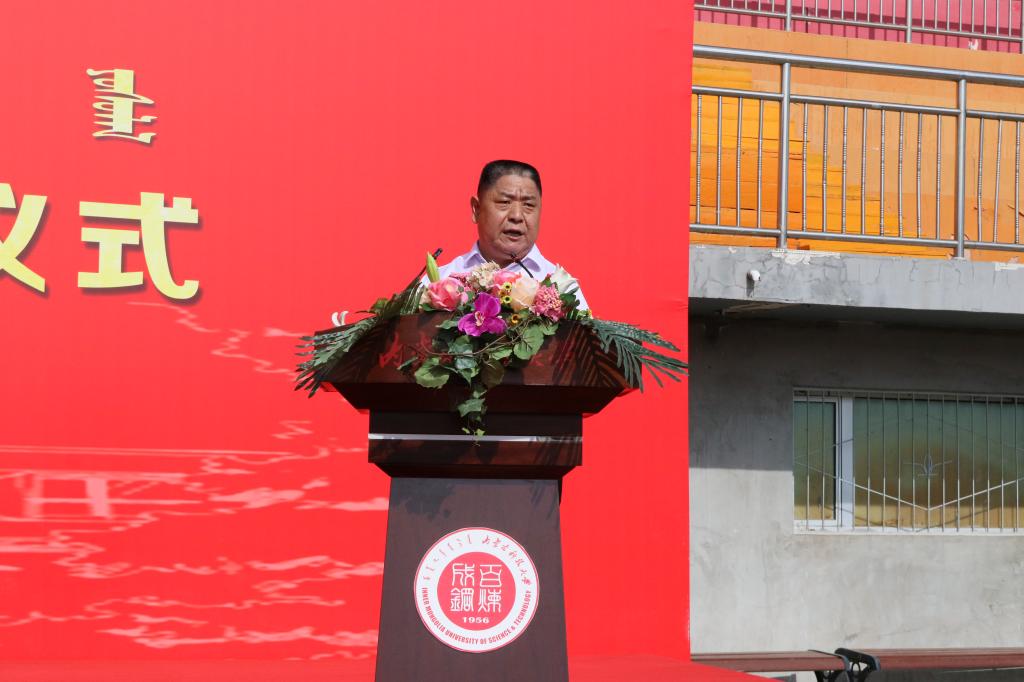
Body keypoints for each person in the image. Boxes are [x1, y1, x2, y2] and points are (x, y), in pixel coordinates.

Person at [429, 159, 588, 310]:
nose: (517, 216)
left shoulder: (562, 290)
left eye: (528, 205)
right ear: (476, 209)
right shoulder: (439, 284)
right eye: (504, 202)